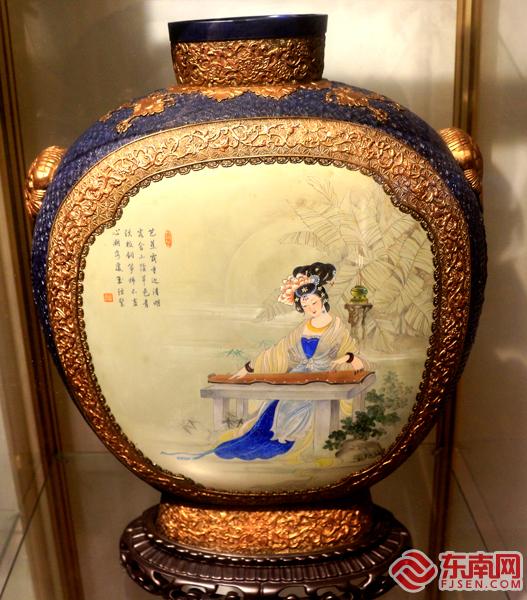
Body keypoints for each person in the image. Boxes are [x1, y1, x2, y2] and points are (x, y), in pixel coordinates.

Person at [211, 262, 364, 460]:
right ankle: (260, 438)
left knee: (292, 409)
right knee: (272, 407)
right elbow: (279, 352)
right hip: (298, 376)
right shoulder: (303, 328)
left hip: (322, 379)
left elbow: (352, 352)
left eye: (314, 302)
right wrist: (248, 368)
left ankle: (283, 441)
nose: (311, 308)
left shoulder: (337, 327)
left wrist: (348, 358)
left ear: (323, 299)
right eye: (306, 306)